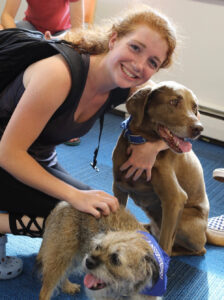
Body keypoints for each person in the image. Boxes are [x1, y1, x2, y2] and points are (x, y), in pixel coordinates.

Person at [0, 5, 177, 279]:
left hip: (35, 158)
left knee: (103, 216)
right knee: (71, 221)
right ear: (114, 38)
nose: (140, 65)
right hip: (8, 155)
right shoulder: (58, 74)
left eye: (153, 62)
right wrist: (74, 195)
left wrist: (151, 146)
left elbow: (179, 121)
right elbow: (9, 154)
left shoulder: (128, 81)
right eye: (136, 47)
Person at [1, 0, 84, 146]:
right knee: (6, 40)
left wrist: (53, 40)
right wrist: (20, 38)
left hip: (62, 33)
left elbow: (78, 29)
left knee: (80, 51)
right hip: (30, 28)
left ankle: (65, 122)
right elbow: (7, 15)